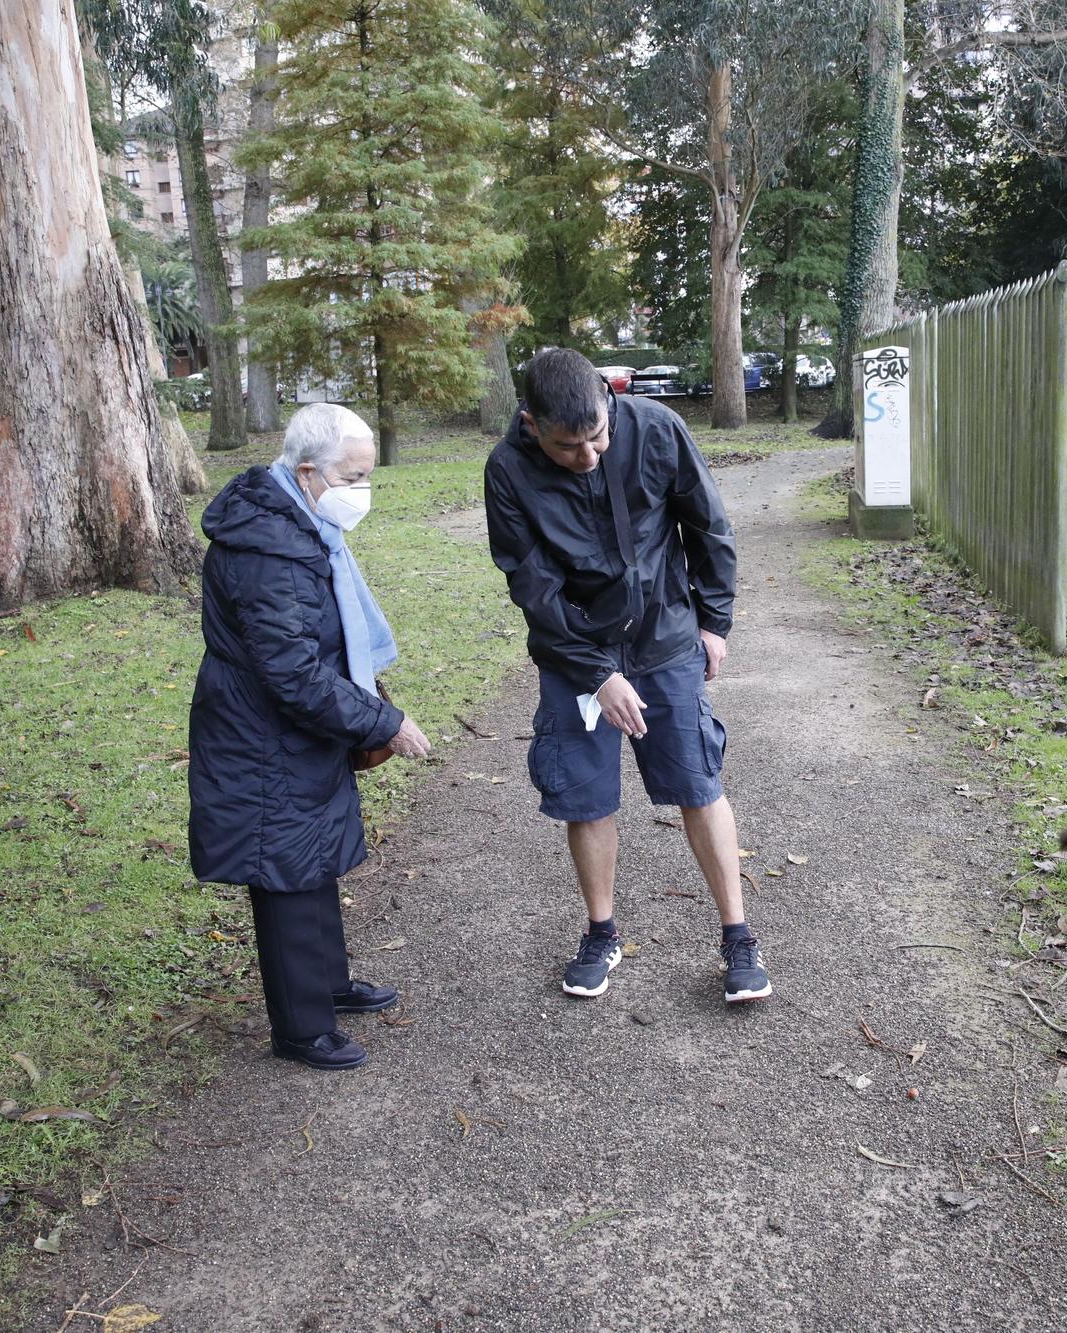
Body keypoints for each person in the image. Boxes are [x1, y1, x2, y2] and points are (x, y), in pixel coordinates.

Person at [485, 348, 770, 1004]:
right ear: (531, 424)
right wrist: (595, 672)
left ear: (610, 405)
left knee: (698, 780)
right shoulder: (506, 471)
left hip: (665, 637)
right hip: (573, 649)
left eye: (598, 437)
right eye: (568, 446)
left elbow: (708, 526)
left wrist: (714, 622)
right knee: (585, 795)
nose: (588, 455)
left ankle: (738, 936)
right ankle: (601, 930)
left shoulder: (656, 428)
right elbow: (532, 584)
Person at [189, 403, 433, 1071]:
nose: (362, 492)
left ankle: (328, 984)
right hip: (262, 733)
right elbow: (292, 672)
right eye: (352, 478)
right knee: (286, 869)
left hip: (296, 730)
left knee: (313, 855)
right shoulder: (269, 549)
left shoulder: (298, 523)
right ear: (306, 472)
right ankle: (300, 1025)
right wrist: (385, 722)